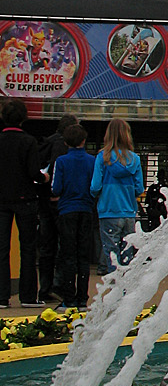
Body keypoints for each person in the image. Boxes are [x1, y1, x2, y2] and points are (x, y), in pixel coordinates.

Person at [0, 98, 46, 308]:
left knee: (2, 249)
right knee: (28, 248)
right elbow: (33, 172)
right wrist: (44, 178)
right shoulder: (29, 141)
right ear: (23, 118)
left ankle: (2, 296)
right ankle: (28, 296)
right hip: (25, 199)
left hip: (1, 199)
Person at [90, 118, 143, 275]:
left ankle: (114, 282)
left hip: (108, 210)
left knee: (111, 255)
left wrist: (97, 195)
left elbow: (95, 186)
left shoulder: (103, 157)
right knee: (127, 254)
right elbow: (139, 188)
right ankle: (126, 285)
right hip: (128, 212)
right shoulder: (135, 159)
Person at [50, 123, 95, 308]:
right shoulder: (92, 160)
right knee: (83, 255)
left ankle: (69, 298)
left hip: (67, 209)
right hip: (86, 208)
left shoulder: (61, 161)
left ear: (66, 142)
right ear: (84, 140)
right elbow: (95, 186)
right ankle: (82, 297)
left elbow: (56, 188)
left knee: (68, 254)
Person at [37, 112, 79, 301]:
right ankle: (59, 285)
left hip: (43, 200)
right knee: (64, 245)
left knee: (47, 247)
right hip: (60, 201)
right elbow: (57, 168)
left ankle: (44, 288)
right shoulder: (62, 146)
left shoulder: (46, 142)